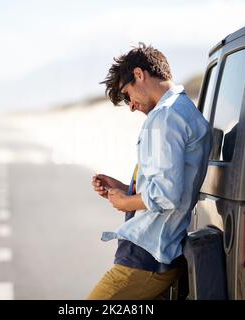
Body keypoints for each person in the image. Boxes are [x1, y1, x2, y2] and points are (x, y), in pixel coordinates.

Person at [87, 43, 212, 300]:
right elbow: (170, 184)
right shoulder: (186, 111)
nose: (131, 105)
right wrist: (124, 189)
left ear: (140, 75)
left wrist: (125, 202)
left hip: (147, 255)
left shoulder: (164, 117)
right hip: (157, 251)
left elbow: (167, 194)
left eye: (127, 93)